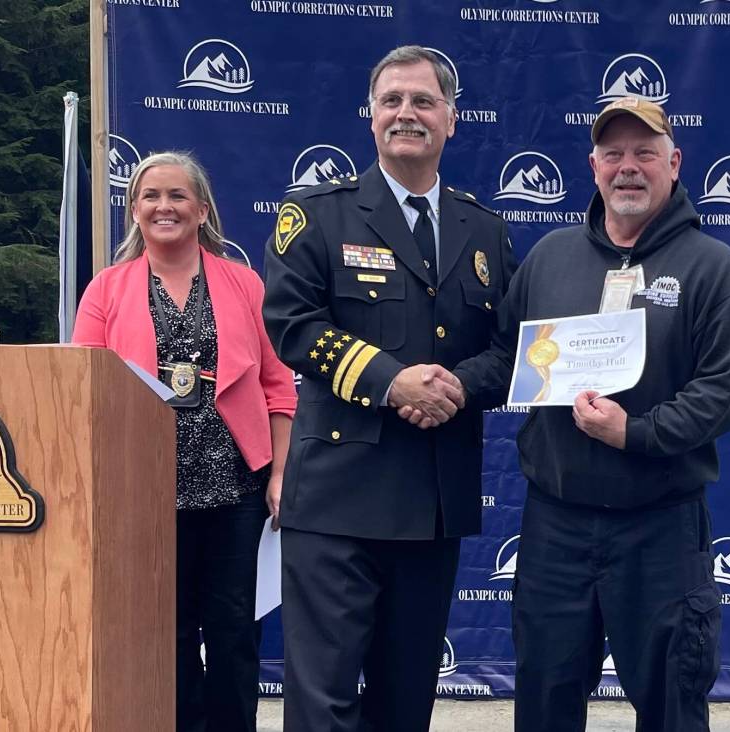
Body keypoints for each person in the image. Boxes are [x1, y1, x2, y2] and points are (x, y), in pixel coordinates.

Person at [454, 98, 730, 732]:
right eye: (614, 154)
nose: (628, 168)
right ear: (592, 166)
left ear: (674, 164)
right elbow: (506, 357)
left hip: (661, 530)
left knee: (673, 704)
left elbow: (726, 389)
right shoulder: (552, 257)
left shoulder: (711, 267)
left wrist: (638, 434)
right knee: (543, 701)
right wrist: (447, 387)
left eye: (645, 153)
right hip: (556, 527)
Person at [261, 46, 516, 731]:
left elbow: (509, 348)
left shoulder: (486, 229)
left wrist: (455, 387)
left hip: (433, 502)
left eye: (424, 101)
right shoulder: (316, 215)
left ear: (452, 120)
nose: (408, 113)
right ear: (371, 118)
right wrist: (393, 380)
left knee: (405, 705)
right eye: (393, 100)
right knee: (325, 702)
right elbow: (292, 324)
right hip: (337, 502)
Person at [71, 151, 296, 732]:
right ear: (134, 210)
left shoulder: (244, 283)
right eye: (150, 196)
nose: (163, 206)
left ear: (201, 209)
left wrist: (280, 473)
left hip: (234, 492)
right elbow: (80, 392)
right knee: (161, 639)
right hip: (141, 494)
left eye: (176, 196)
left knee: (234, 636)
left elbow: (278, 387)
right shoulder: (105, 289)